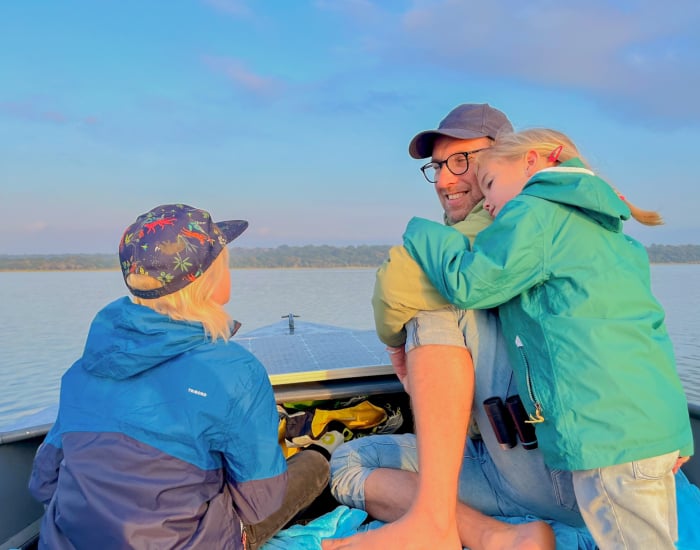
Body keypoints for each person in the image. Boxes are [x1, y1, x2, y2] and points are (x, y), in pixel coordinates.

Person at [400, 128, 694, 548]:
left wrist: (421, 232)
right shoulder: (606, 230)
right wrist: (679, 433)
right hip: (648, 434)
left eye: (490, 183)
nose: (487, 201)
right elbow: (650, 333)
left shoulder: (535, 211)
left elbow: (471, 283)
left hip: (605, 439)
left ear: (534, 162)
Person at [325, 105, 586, 550]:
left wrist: (394, 344)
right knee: (350, 461)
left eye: (462, 160)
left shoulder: (519, 222)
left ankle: (436, 521)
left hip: (556, 468)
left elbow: (396, 281)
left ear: (505, 158)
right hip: (502, 468)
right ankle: (489, 534)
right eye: (438, 166)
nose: (445, 180)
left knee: (429, 308)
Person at [28, 203, 333, 550]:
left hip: (66, 541)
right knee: (314, 464)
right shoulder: (236, 371)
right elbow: (257, 503)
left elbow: (43, 483)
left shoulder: (82, 371)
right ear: (210, 279)